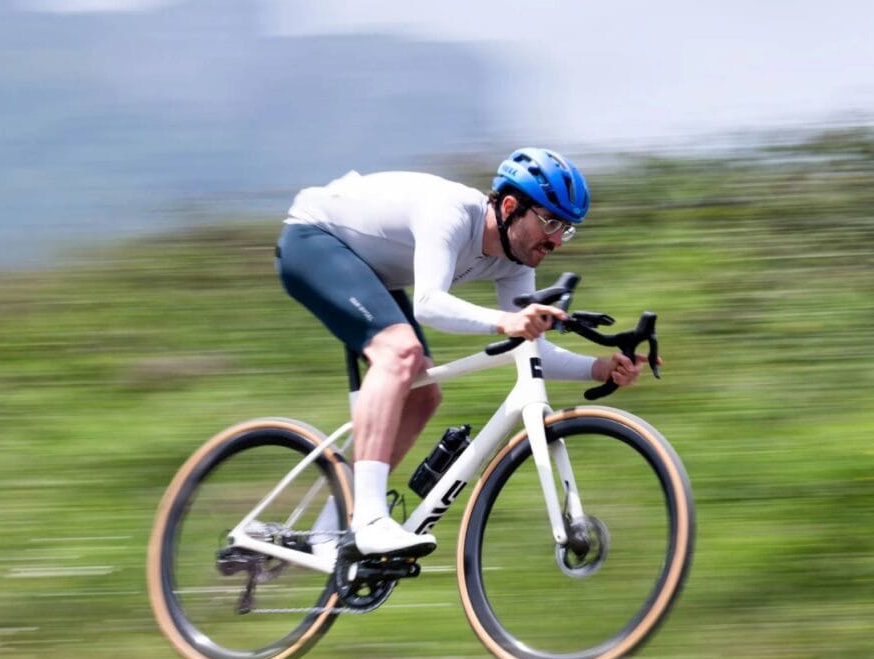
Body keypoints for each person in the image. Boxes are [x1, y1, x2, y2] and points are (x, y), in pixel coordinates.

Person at [275, 148, 648, 559]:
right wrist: (505, 322)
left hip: (369, 269)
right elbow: (429, 304)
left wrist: (600, 368)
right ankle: (368, 519)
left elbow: (531, 347)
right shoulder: (452, 212)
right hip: (314, 241)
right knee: (400, 353)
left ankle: (329, 531)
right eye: (551, 222)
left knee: (423, 394)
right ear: (510, 207)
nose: (558, 239)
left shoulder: (515, 262)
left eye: (567, 228)